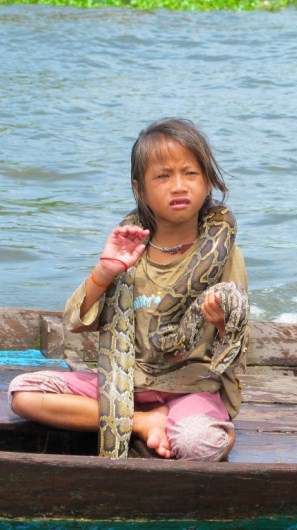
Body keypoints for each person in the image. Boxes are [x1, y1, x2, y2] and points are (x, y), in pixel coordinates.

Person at [9, 117, 249, 461]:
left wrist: (223, 319)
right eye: (163, 176)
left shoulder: (225, 252)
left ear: (208, 181)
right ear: (140, 189)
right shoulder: (128, 248)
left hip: (190, 387)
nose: (178, 186)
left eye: (190, 173)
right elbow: (76, 323)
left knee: (199, 443)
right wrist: (105, 272)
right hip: (120, 384)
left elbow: (237, 341)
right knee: (23, 393)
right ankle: (142, 423)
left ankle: (170, 420)